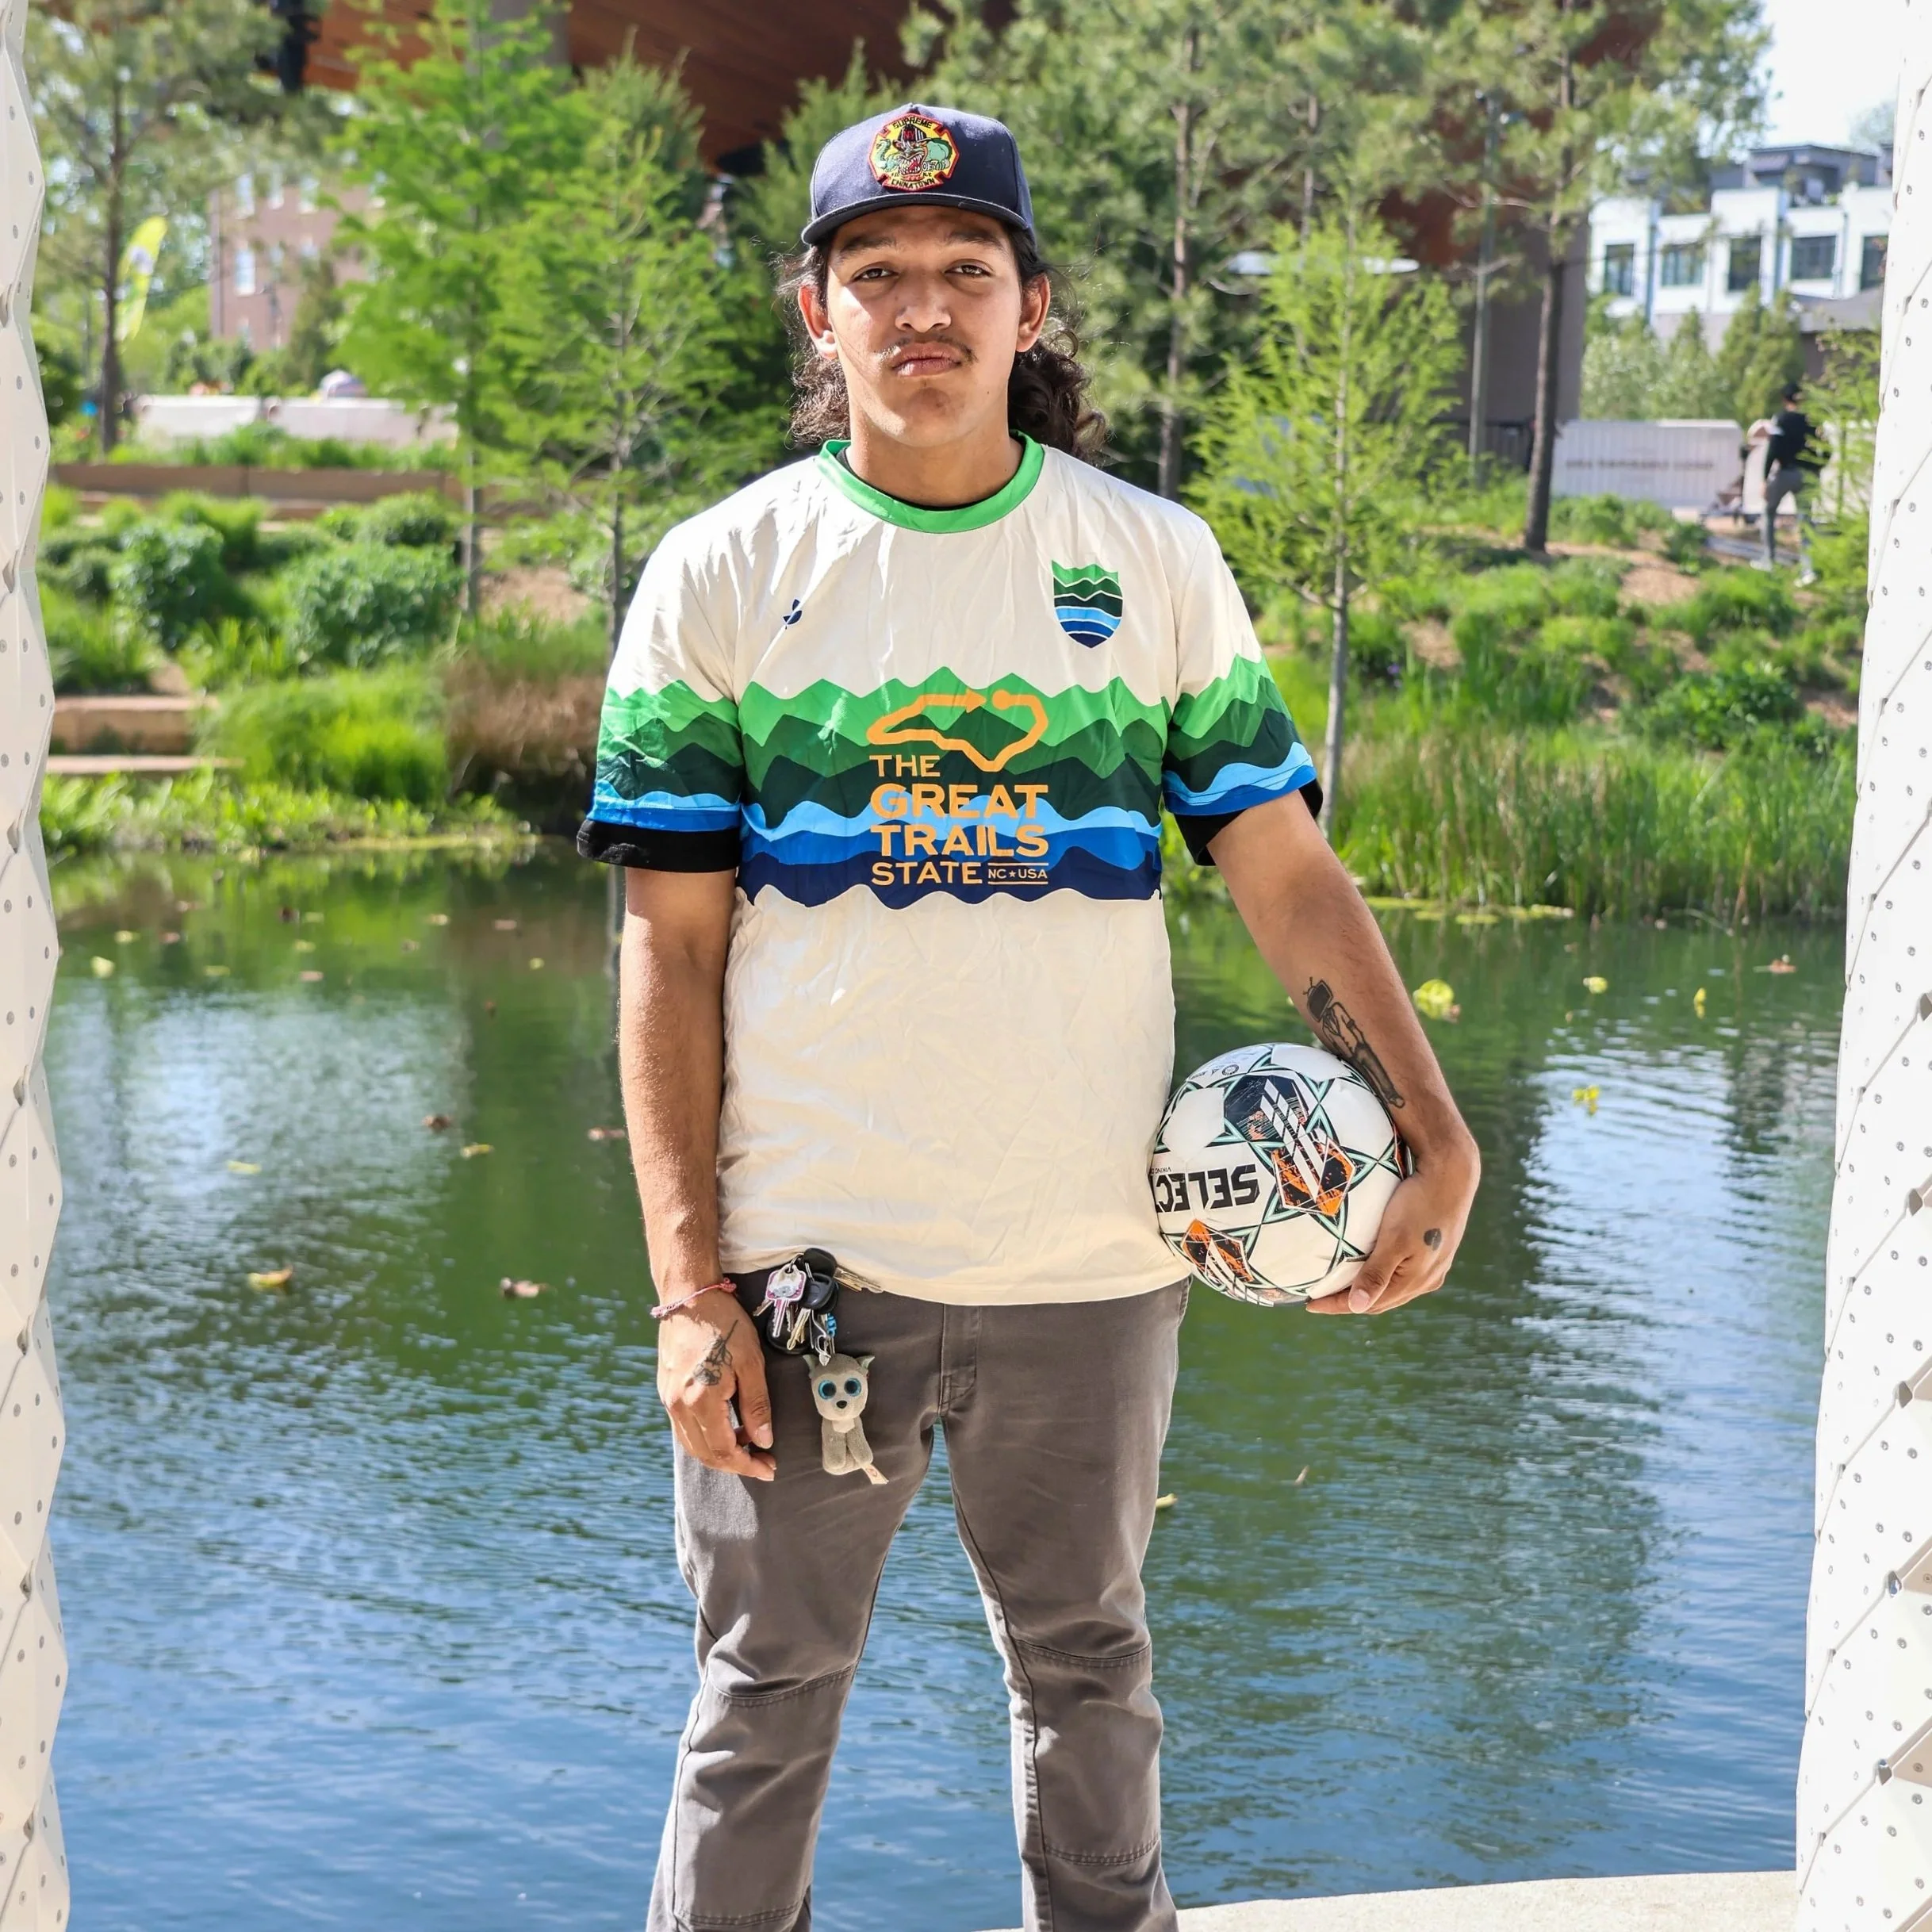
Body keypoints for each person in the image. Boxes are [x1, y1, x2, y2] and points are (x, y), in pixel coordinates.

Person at [577, 102, 1481, 1932]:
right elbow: (667, 949)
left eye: (964, 270)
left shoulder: (1147, 557)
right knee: (763, 1700)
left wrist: (1431, 1124)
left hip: (1094, 1258)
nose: (923, 307)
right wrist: (686, 1289)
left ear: (1030, 306)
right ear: (816, 309)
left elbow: (1283, 868)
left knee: (1091, 1678)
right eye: (877, 273)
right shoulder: (721, 572)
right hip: (802, 1267)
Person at [1761, 380, 1822, 585]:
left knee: (1769, 513)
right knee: (1806, 522)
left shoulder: (1781, 419)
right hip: (1807, 475)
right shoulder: (1811, 420)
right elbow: (1826, 448)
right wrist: (1818, 468)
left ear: (1784, 399)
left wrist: (1764, 479)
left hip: (1786, 472)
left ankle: (1769, 560)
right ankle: (1808, 570)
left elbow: (1773, 449)